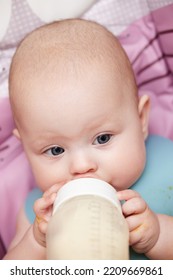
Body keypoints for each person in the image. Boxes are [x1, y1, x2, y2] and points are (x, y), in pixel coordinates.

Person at [3, 18, 172, 260]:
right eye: (55, 150)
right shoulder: (40, 215)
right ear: (26, 148)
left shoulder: (168, 164)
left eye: (102, 138)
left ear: (141, 119)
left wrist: (160, 236)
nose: (82, 166)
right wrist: (37, 242)